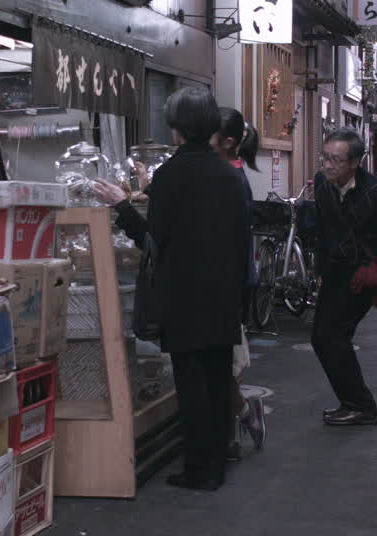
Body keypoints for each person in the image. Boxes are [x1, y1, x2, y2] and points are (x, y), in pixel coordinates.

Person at [89, 87, 249, 491]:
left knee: (191, 386)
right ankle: (216, 464)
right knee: (216, 381)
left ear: (176, 129)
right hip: (224, 296)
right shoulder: (230, 176)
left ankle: (199, 470)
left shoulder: (170, 177)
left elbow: (151, 242)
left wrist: (120, 206)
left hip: (183, 297)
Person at [310, 129, 377, 427]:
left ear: (355, 162)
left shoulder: (375, 192)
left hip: (364, 275)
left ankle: (361, 405)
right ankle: (353, 402)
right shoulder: (323, 184)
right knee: (321, 338)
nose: (328, 165)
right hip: (336, 272)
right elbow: (323, 233)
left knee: (332, 336)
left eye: (336, 160)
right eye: (325, 158)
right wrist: (320, 273)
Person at [211, 107, 267, 460]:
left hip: (229, 280)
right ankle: (233, 429)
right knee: (223, 360)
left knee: (224, 361)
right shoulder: (227, 173)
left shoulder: (231, 179)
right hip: (229, 277)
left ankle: (242, 417)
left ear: (229, 142)